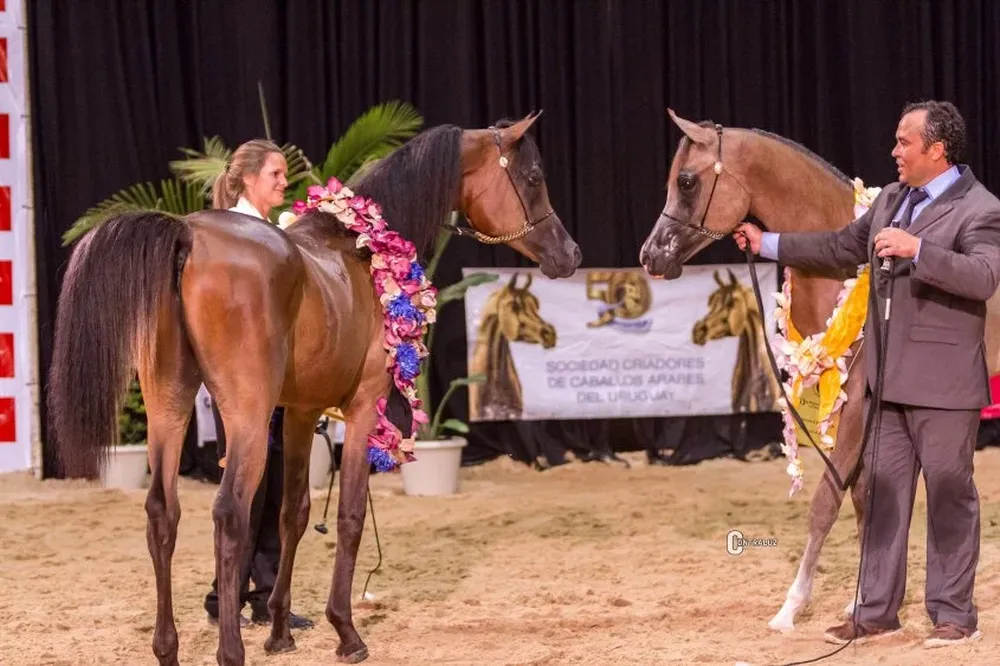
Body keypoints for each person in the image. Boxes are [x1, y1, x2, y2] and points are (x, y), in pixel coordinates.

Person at [736, 100, 1000, 649]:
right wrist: (769, 244)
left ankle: (953, 614)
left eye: (905, 142)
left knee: (950, 495)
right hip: (887, 385)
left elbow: (982, 277)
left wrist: (919, 249)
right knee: (880, 495)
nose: (894, 151)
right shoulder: (889, 201)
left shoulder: (980, 208)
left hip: (945, 387)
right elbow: (839, 247)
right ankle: (877, 609)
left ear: (937, 149)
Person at [203, 138, 314, 630]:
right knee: (248, 487)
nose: (284, 182)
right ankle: (226, 595)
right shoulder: (234, 237)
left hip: (278, 378)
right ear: (248, 179)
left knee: (269, 492)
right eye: (275, 174)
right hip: (244, 381)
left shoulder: (277, 232)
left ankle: (265, 594)